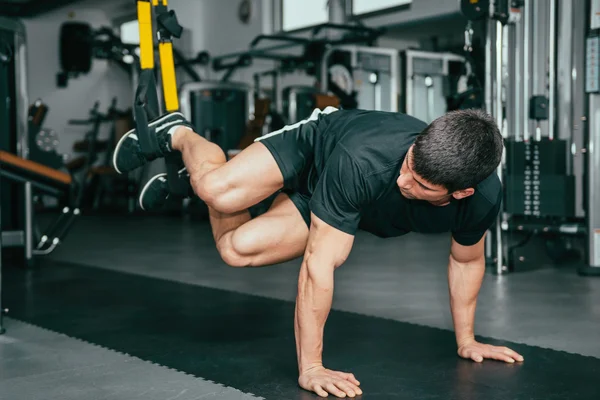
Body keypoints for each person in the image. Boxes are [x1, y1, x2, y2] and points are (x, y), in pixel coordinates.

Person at [113, 107, 524, 398]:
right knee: (217, 191)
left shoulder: (482, 200)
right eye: (409, 164)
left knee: (236, 250)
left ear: (461, 192)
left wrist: (467, 340)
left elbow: (466, 259)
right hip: (316, 149)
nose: (403, 181)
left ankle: (194, 177)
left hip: (337, 200)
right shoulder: (367, 160)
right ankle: (180, 134)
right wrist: (311, 367)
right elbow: (318, 265)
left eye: (420, 185)